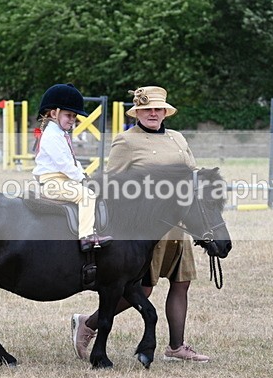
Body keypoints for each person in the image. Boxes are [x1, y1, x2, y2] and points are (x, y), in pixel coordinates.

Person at [70, 85, 210, 362]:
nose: (153, 114)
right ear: (138, 112)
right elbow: (112, 182)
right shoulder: (126, 141)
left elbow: (191, 176)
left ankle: (176, 347)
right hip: (147, 227)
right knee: (143, 288)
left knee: (182, 283)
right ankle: (88, 324)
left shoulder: (178, 138)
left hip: (178, 225)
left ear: (165, 112)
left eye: (158, 109)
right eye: (147, 109)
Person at [33, 83, 112, 252]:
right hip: (52, 183)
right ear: (54, 113)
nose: (72, 120)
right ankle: (86, 237)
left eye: (74, 116)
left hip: (63, 180)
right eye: (68, 115)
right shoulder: (51, 136)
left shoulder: (61, 134)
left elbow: (71, 162)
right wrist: (81, 178)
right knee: (87, 196)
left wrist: (83, 174)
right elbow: (64, 163)